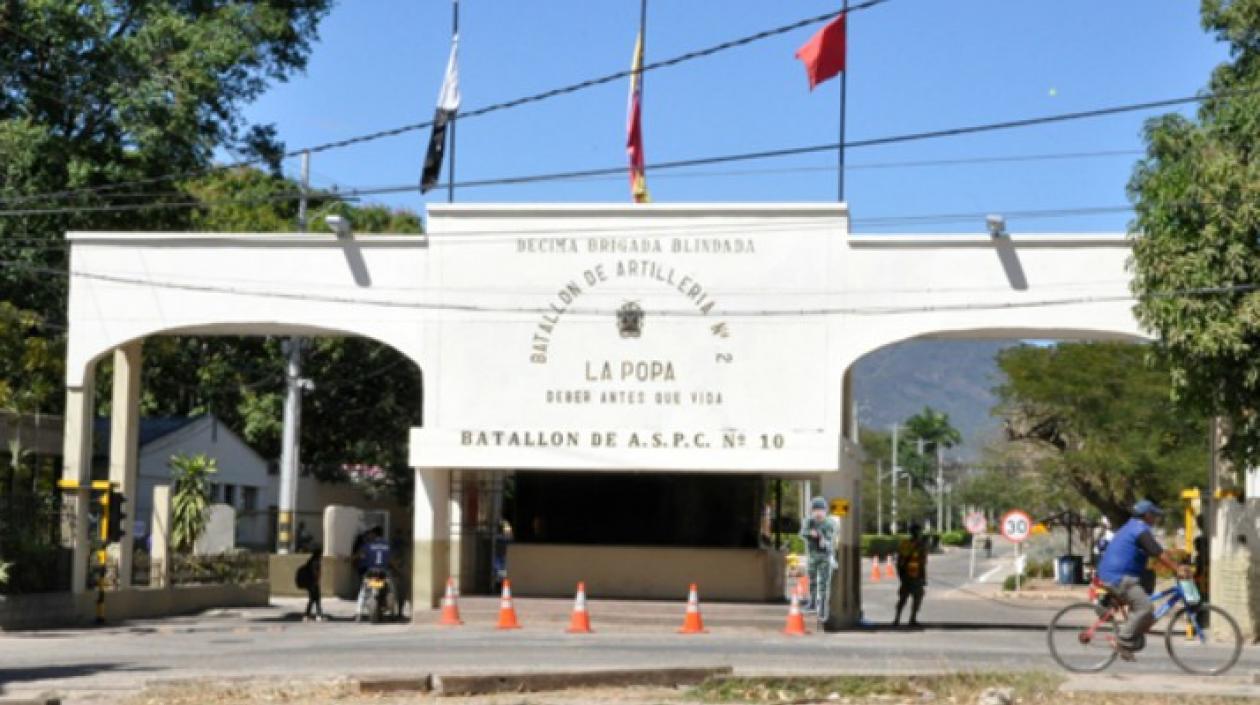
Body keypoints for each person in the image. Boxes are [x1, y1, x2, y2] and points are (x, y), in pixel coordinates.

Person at [1096, 500, 1192, 661]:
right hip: (1119, 576)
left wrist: (1174, 564)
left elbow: (1156, 552)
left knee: (1148, 581)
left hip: (1114, 573)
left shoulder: (1130, 526)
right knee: (1146, 607)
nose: (1156, 519)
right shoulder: (1140, 530)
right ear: (1147, 515)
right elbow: (1157, 552)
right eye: (1154, 515)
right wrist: (1177, 569)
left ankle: (1111, 604)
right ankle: (1124, 639)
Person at [798, 496, 837, 616]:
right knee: (812, 581)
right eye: (815, 510)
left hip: (825, 555)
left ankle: (823, 608)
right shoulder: (808, 521)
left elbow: (829, 536)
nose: (818, 513)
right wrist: (811, 533)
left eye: (821, 510)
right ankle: (813, 602)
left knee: (824, 583)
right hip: (812, 556)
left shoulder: (829, 522)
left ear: (825, 511)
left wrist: (822, 537)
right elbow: (802, 533)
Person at [355, 527, 397, 620]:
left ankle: (358, 613)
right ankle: (393, 613)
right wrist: (396, 569)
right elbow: (391, 560)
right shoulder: (387, 545)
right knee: (392, 590)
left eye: (371, 534)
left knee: (363, 591)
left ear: (374, 534)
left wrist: (352, 559)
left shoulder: (368, 545)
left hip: (371, 571)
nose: (370, 535)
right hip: (383, 572)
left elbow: (360, 555)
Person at [893, 523, 928, 627]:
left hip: (913, 576)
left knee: (914, 597)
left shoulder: (919, 544)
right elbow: (901, 561)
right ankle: (899, 619)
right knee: (905, 598)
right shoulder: (909, 544)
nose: (920, 533)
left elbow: (922, 563)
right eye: (919, 531)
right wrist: (902, 575)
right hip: (910, 575)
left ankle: (908, 619)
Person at [296, 549, 325, 622]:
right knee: (317, 599)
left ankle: (307, 615)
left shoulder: (311, 561)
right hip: (313, 583)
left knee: (312, 599)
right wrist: (317, 581)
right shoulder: (316, 562)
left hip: (310, 583)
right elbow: (316, 573)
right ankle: (318, 615)